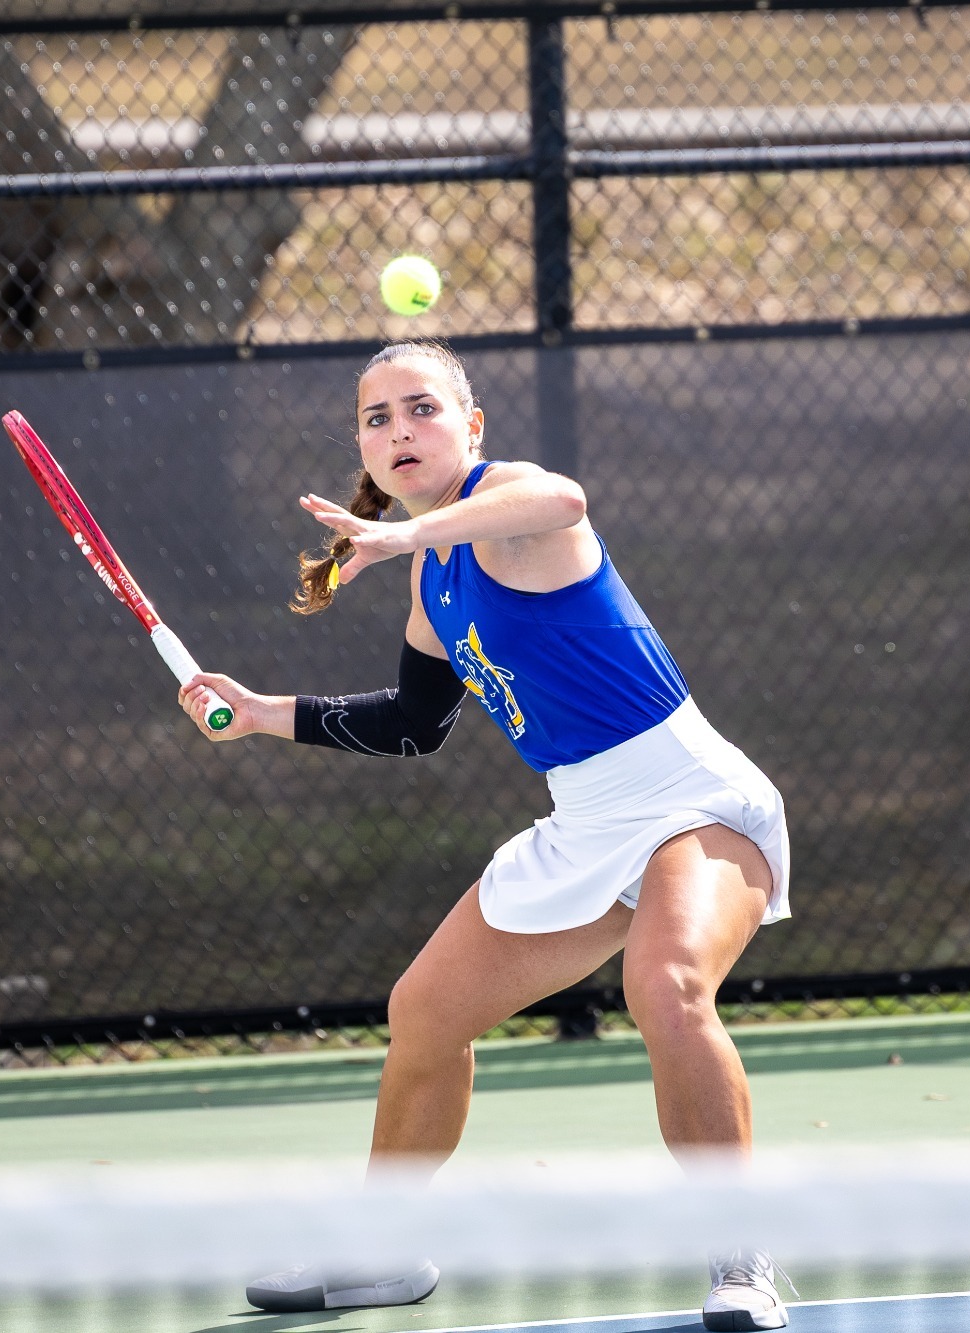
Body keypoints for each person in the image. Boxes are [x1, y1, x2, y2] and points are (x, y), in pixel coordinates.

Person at [177, 340, 793, 1332]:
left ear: (470, 427)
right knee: (423, 1010)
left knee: (665, 987)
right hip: (584, 818)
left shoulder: (507, 507)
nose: (397, 431)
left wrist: (393, 542)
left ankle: (739, 1253)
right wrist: (261, 712)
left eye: (420, 408)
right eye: (376, 419)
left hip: (691, 798)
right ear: (364, 451)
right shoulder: (435, 583)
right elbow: (415, 724)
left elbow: (563, 501)